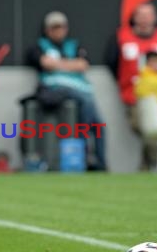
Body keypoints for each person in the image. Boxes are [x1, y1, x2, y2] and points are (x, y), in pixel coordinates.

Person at [28, 11, 107, 171]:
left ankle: (101, 164)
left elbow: (83, 65)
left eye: (62, 27)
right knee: (86, 101)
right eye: (55, 27)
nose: (59, 31)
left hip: (81, 89)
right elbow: (45, 63)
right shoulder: (39, 46)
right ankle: (84, 144)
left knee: (99, 125)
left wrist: (57, 64)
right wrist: (70, 64)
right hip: (56, 89)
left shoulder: (74, 45)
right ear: (47, 29)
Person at [106, 2, 157, 171]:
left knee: (152, 127)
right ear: (134, 18)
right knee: (141, 126)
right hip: (133, 93)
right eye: (140, 15)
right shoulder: (122, 36)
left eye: (148, 14)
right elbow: (111, 62)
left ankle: (147, 166)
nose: (144, 19)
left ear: (154, 17)